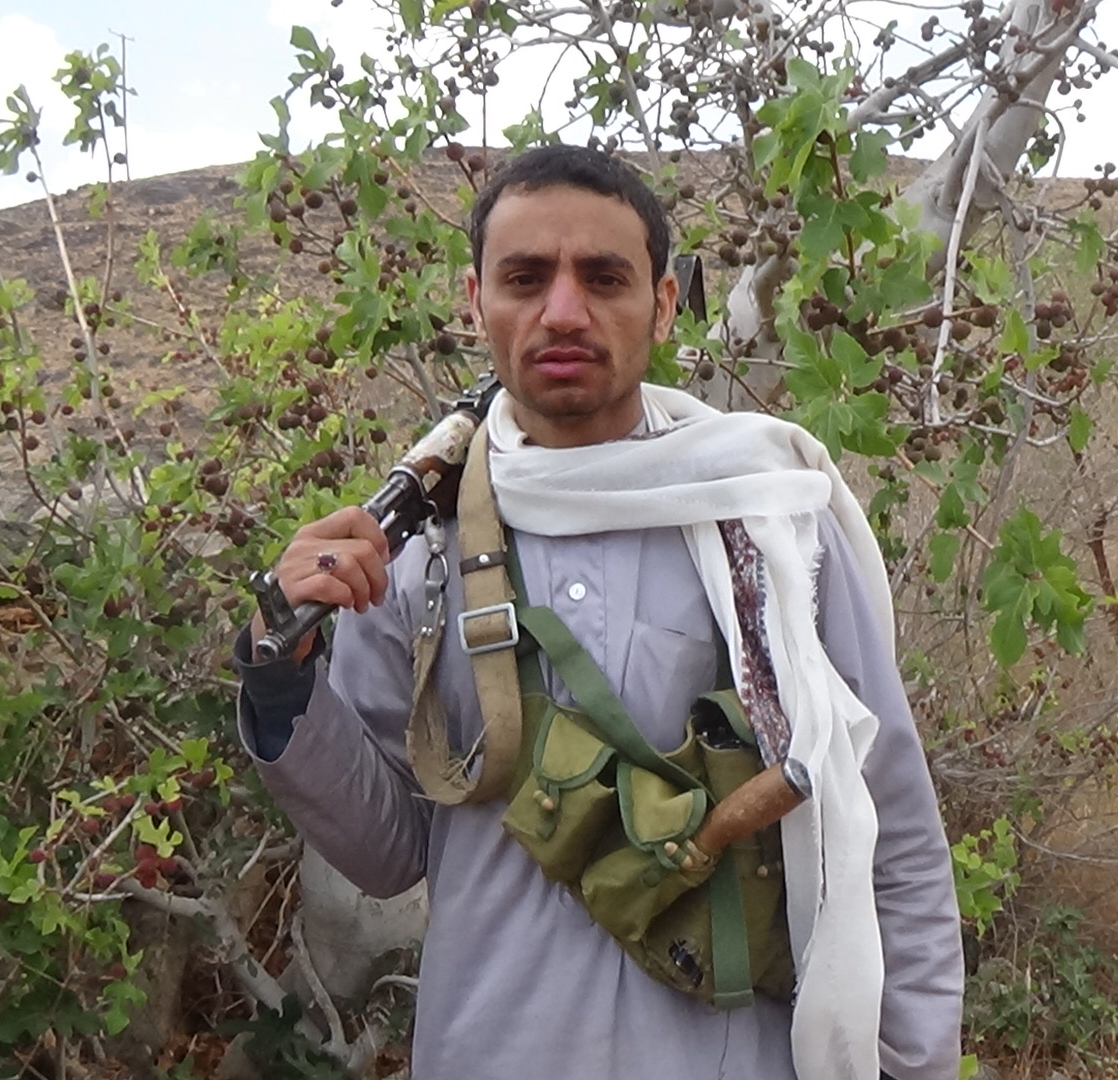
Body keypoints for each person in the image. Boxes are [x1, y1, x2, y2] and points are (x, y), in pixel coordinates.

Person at [235, 144, 962, 1080]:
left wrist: (913, 1064)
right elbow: (390, 851)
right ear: (475, 301)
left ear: (663, 303)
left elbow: (890, 830)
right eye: (525, 279)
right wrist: (280, 676)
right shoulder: (414, 547)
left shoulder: (770, 523)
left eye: (604, 278)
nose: (564, 311)